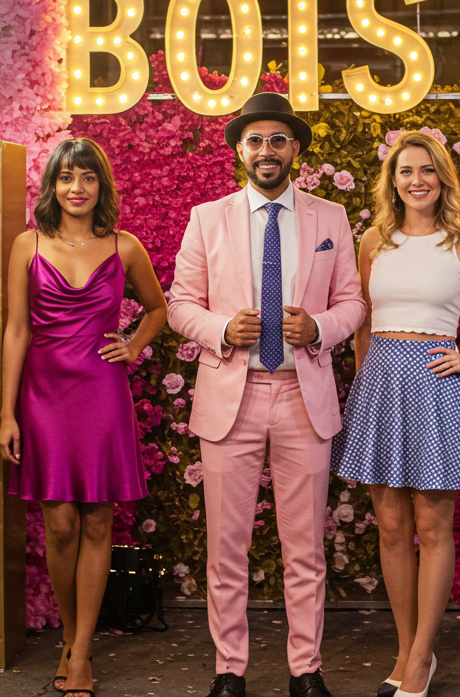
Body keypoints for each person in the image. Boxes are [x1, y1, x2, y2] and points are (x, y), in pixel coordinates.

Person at [168, 93, 365, 697]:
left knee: (305, 549)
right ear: (240, 151)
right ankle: (230, 671)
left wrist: (320, 328)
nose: (266, 150)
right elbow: (179, 304)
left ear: (295, 149)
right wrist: (222, 328)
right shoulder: (208, 218)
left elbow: (353, 302)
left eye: (278, 139)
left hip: (303, 396)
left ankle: (306, 671)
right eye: (255, 140)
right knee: (226, 549)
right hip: (233, 397)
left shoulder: (330, 218)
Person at [334, 131, 460, 697]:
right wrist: (364, 381)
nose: (416, 180)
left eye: (426, 170)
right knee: (392, 527)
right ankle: (404, 651)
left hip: (436, 383)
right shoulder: (373, 240)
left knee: (432, 525)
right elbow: (364, 321)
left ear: (443, 177)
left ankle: (422, 657)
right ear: (392, 181)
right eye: (405, 171)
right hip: (380, 384)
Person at [0, 138, 167, 697]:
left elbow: (158, 309)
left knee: (97, 522)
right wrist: (7, 414)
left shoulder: (125, 246)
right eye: (67, 177)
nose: (77, 188)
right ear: (53, 185)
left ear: (101, 186)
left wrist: (133, 345)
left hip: (101, 391)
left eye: (88, 178)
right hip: (43, 395)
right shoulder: (27, 244)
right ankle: (71, 637)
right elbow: (16, 330)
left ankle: (82, 652)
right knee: (61, 525)